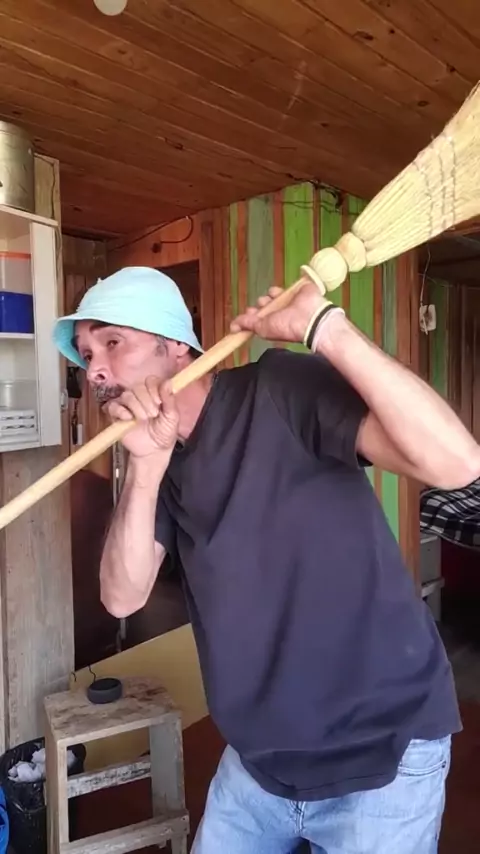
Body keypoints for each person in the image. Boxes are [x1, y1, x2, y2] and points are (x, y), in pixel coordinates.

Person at [53, 265, 480, 854]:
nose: (95, 369)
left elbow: (457, 463)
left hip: (382, 749)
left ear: (175, 346)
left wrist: (326, 327)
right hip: (259, 762)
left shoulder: (276, 388)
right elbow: (121, 597)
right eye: (85, 355)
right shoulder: (158, 459)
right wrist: (145, 468)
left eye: (112, 342)